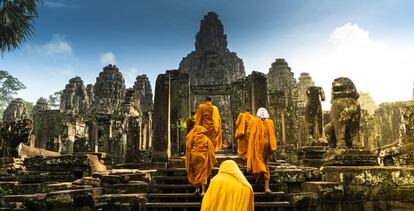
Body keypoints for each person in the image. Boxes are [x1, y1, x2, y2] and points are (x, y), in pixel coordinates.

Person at [246, 107, 277, 193]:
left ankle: (264, 185)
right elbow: (272, 135)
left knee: (261, 165)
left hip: (258, 147)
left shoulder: (254, 121)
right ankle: (263, 185)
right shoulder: (270, 122)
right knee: (264, 164)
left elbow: (248, 134)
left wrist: (253, 141)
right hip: (265, 147)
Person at [185, 125, 217, 196]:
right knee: (203, 173)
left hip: (194, 157)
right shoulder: (205, 138)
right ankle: (203, 191)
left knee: (195, 173)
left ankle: (196, 189)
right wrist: (211, 157)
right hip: (202, 157)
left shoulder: (193, 137)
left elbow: (188, 146)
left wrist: (189, 157)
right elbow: (211, 148)